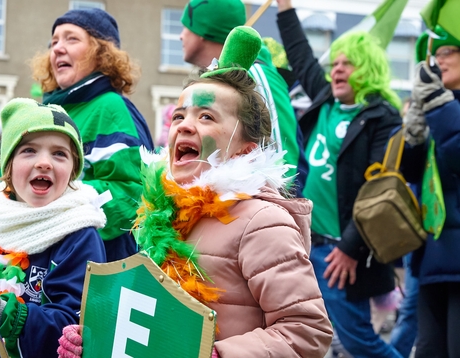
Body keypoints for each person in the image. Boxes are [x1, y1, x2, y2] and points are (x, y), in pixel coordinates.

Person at [58, 26, 332, 358]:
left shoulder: (263, 222)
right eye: (179, 116)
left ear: (245, 151)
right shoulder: (160, 212)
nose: (185, 125)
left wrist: (217, 354)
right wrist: (95, 334)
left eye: (206, 116)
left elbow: (308, 332)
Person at [276, 1, 403, 356]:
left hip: (339, 252)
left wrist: (349, 248)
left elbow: (377, 193)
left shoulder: (382, 119)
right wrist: (284, 8)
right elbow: (300, 55)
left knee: (358, 340)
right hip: (306, 243)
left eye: (348, 63)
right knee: (317, 338)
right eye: (335, 63)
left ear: (368, 68)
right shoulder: (325, 100)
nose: (338, 69)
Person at [0, 98, 107, 358]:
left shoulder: (80, 234)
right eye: (29, 150)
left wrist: (3, 312)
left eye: (59, 154)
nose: (45, 163)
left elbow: (75, 324)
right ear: (8, 166)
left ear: (73, 170)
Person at [31, 8, 153, 261]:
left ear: (101, 53)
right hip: (51, 257)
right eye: (54, 42)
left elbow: (130, 191)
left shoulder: (110, 107)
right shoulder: (51, 110)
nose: (57, 49)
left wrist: (55, 199)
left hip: (97, 262)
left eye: (71, 39)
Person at [179, 0, 306, 193]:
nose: (181, 36)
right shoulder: (213, 81)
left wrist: (266, 215)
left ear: (205, 30)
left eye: (186, 26)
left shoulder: (256, 75)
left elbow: (283, 163)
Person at [401, 25, 460, 357]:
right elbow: (410, 174)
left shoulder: (444, 108)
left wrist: (439, 106)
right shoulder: (440, 109)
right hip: (434, 255)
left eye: (447, 51)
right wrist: (414, 134)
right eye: (435, 54)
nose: (439, 61)